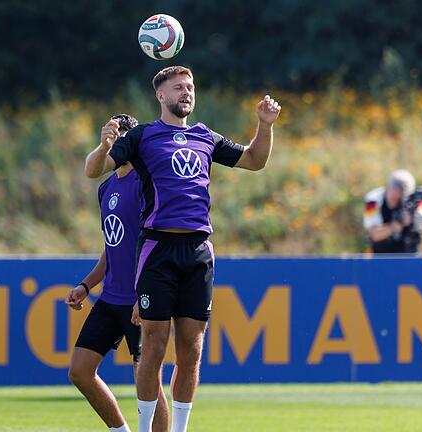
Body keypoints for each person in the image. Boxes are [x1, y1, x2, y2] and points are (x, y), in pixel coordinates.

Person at [84, 66, 281, 432]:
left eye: (190, 87)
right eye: (178, 88)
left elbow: (255, 160)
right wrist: (104, 145)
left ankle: (180, 430)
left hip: (198, 251)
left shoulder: (205, 136)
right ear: (161, 96)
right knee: (154, 345)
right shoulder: (142, 136)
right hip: (158, 248)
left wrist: (265, 125)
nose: (186, 92)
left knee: (192, 349)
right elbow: (94, 170)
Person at [66, 114, 169, 432]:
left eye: (124, 134)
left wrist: (146, 294)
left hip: (142, 299)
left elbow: (156, 241)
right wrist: (87, 284)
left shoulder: (146, 182)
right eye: (113, 134)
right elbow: (112, 245)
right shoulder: (106, 187)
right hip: (111, 298)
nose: (117, 140)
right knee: (80, 371)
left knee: (147, 380)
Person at [364, 169, 421, 253]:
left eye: (400, 198)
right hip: (381, 256)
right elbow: (374, 234)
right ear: (387, 187)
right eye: (394, 195)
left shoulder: (415, 201)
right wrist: (394, 226)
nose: (396, 200)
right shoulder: (373, 200)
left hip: (410, 253)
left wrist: (413, 219)